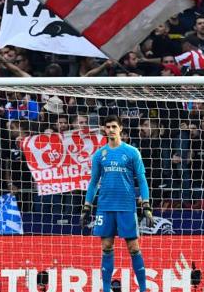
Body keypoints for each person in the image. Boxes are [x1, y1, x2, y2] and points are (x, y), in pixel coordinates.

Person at [80, 115, 155, 292]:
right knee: (106, 246)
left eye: (114, 126)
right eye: (108, 127)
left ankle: (143, 289)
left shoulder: (131, 152)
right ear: (104, 130)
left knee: (133, 247)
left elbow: (142, 180)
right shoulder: (100, 154)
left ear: (121, 129)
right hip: (105, 207)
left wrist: (146, 206)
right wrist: (86, 206)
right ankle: (106, 289)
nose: (111, 130)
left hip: (126, 207)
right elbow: (93, 182)